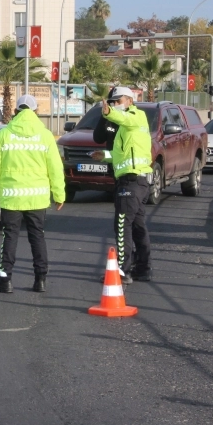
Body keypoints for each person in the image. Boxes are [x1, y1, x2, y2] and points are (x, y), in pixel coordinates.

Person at [0, 94, 66, 293]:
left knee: (9, 237)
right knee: (37, 236)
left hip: (12, 197)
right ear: (36, 112)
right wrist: (59, 194)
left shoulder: (4, 135)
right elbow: (55, 167)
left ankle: (5, 281)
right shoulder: (45, 135)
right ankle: (40, 280)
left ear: (15, 112)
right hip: (37, 197)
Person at [92, 86, 153, 283]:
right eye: (113, 102)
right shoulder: (127, 129)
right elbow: (124, 155)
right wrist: (106, 156)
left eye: (118, 101)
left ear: (130, 100)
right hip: (137, 180)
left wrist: (109, 112)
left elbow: (123, 118)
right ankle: (143, 268)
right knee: (137, 226)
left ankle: (122, 271)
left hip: (131, 182)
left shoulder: (136, 116)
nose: (115, 105)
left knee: (122, 226)